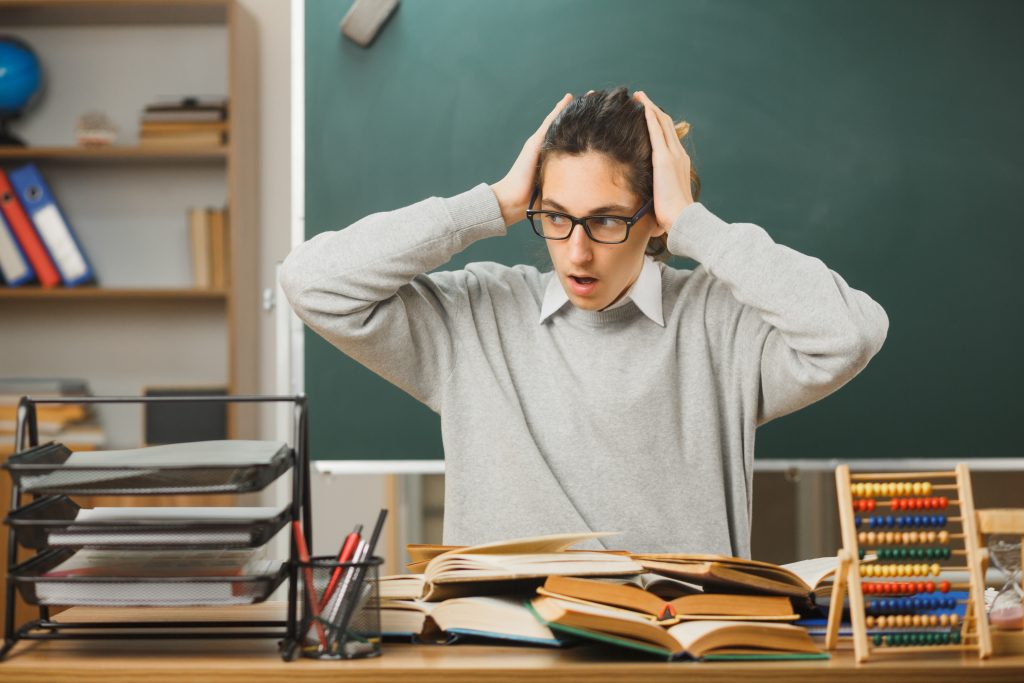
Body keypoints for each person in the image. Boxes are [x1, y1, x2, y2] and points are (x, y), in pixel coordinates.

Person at [279, 87, 889, 556]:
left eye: (605, 221)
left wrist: (696, 226)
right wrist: (490, 205)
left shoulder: (720, 324)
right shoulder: (473, 318)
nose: (576, 252)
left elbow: (851, 333)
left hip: (672, 658)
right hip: (502, 658)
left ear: (654, 219)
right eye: (554, 217)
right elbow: (312, 282)